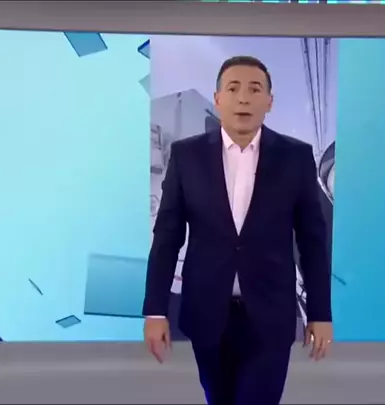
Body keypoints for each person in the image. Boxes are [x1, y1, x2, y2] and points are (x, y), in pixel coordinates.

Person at [143, 55, 333, 405]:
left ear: (269, 102)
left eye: (254, 89)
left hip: (270, 314)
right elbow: (167, 237)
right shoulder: (187, 156)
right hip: (207, 311)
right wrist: (155, 310)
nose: (243, 98)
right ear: (218, 99)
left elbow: (313, 241)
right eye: (233, 88)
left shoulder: (295, 157)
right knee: (218, 398)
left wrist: (320, 313)